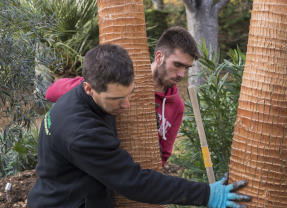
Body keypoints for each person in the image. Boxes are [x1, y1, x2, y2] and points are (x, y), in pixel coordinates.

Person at [26, 43, 251, 208]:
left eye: (129, 94)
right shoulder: (81, 133)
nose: (126, 106)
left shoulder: (88, 91)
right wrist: (207, 194)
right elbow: (136, 182)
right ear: (88, 88)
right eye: (116, 99)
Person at [45, 26, 200, 167]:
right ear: (159, 57)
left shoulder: (176, 105)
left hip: (133, 179)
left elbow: (164, 155)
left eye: (186, 68)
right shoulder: (121, 78)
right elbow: (52, 92)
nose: (181, 74)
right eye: (177, 65)